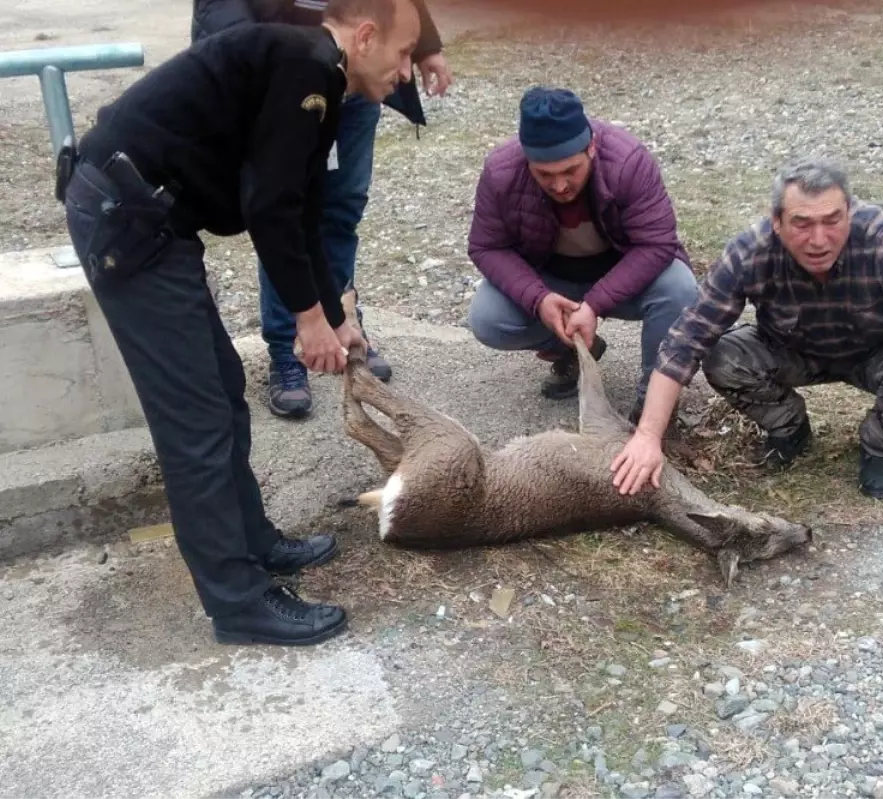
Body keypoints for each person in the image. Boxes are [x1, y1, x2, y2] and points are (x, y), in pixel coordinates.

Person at [58, 0, 423, 645]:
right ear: (366, 37)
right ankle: (238, 600)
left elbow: (302, 206)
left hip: (153, 218)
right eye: (403, 54)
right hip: (126, 219)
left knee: (223, 389)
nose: (407, 72)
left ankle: (254, 542)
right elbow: (269, 208)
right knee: (194, 419)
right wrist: (308, 321)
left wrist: (337, 316)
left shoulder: (319, 71)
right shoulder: (307, 65)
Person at [610, 156, 883, 500]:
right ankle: (789, 426)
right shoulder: (749, 252)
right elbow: (686, 340)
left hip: (878, 351)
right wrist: (647, 435)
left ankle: (877, 444)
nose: (819, 239)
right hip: (793, 349)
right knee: (723, 358)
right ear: (777, 221)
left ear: (850, 212)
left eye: (833, 220)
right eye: (802, 223)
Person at [192, 0, 455, 418]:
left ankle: (342, 323)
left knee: (342, 208)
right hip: (286, 73)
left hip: (357, 71)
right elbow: (272, 210)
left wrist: (423, 44)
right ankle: (288, 348)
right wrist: (254, 56)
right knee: (283, 209)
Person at [465, 86, 698, 422]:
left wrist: (595, 304)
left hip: (623, 275)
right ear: (527, 159)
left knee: (679, 288)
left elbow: (657, 244)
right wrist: (538, 299)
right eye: (544, 175)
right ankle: (574, 349)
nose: (560, 186)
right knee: (488, 318)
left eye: (570, 171)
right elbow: (487, 246)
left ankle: (654, 407)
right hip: (553, 280)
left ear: (591, 147)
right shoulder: (501, 171)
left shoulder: (628, 161)